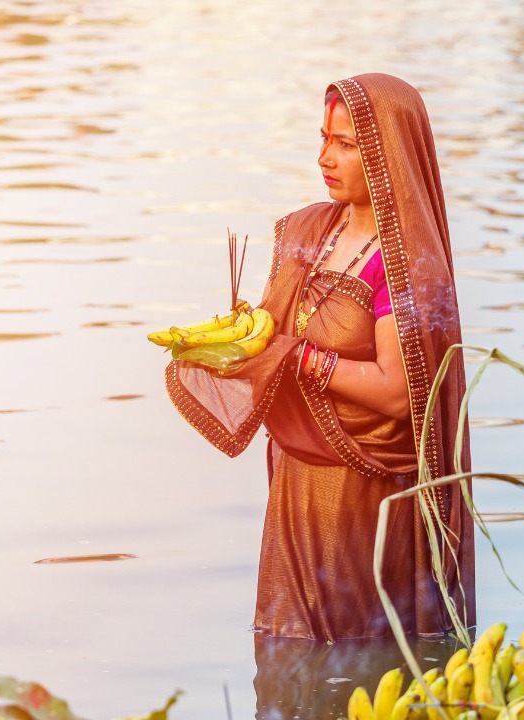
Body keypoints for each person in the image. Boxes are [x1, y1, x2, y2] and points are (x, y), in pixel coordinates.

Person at [163, 73, 475, 642]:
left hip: (364, 496)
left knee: (358, 655)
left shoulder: (405, 266)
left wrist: (298, 359)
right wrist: (233, 346)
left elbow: (398, 394)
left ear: (387, 155)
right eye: (323, 139)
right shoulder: (309, 232)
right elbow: (275, 328)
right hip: (294, 482)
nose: (324, 157)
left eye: (346, 145)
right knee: (285, 650)